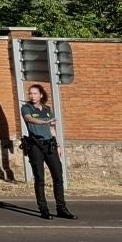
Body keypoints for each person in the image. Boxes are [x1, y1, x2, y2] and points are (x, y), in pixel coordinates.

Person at [20, 83, 75, 221]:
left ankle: (61, 208)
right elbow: (29, 119)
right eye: (30, 93)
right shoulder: (26, 108)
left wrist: (58, 145)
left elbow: (51, 129)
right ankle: (43, 209)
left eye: (34, 93)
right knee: (39, 178)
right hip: (35, 146)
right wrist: (43, 122)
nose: (32, 96)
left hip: (49, 145)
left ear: (41, 95)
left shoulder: (47, 109)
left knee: (58, 176)